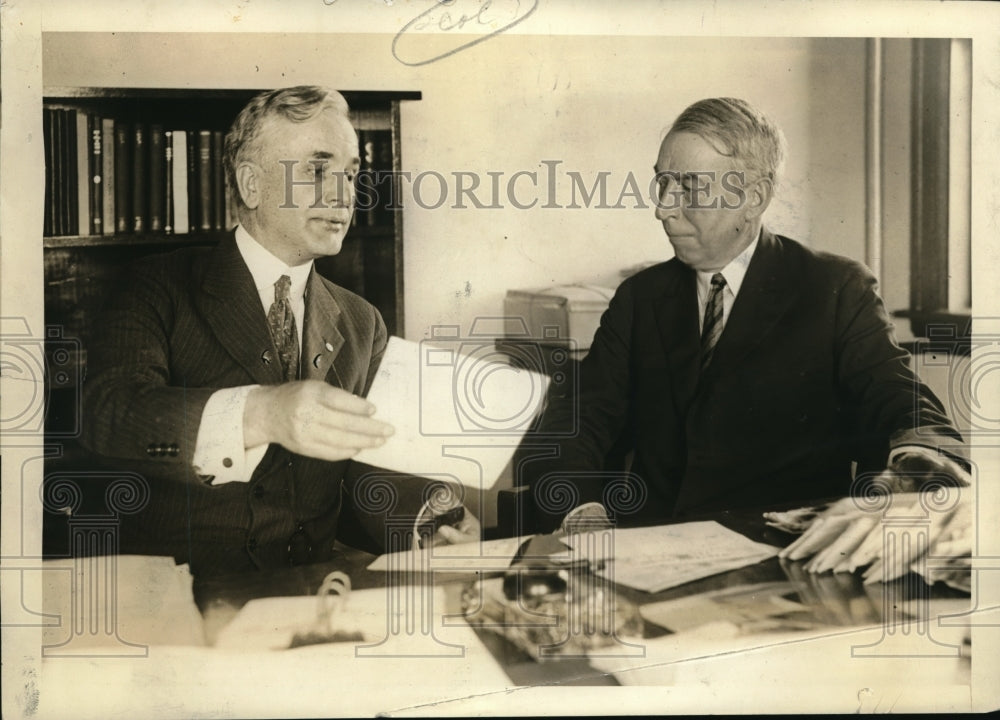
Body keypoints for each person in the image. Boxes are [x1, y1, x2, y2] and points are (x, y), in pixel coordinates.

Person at [79, 86, 479, 576]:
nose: (344, 195)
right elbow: (109, 415)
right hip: (179, 595)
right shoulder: (154, 285)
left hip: (311, 592)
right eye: (316, 170)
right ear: (251, 184)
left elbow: (365, 469)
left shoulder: (361, 320)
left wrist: (425, 519)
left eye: (350, 174)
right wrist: (263, 413)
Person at [526, 97, 970, 532]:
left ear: (754, 197)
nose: (663, 208)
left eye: (689, 188)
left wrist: (919, 462)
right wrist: (581, 511)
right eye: (662, 183)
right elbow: (579, 419)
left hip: (778, 550)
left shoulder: (835, 288)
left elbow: (901, 402)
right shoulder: (639, 298)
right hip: (654, 547)